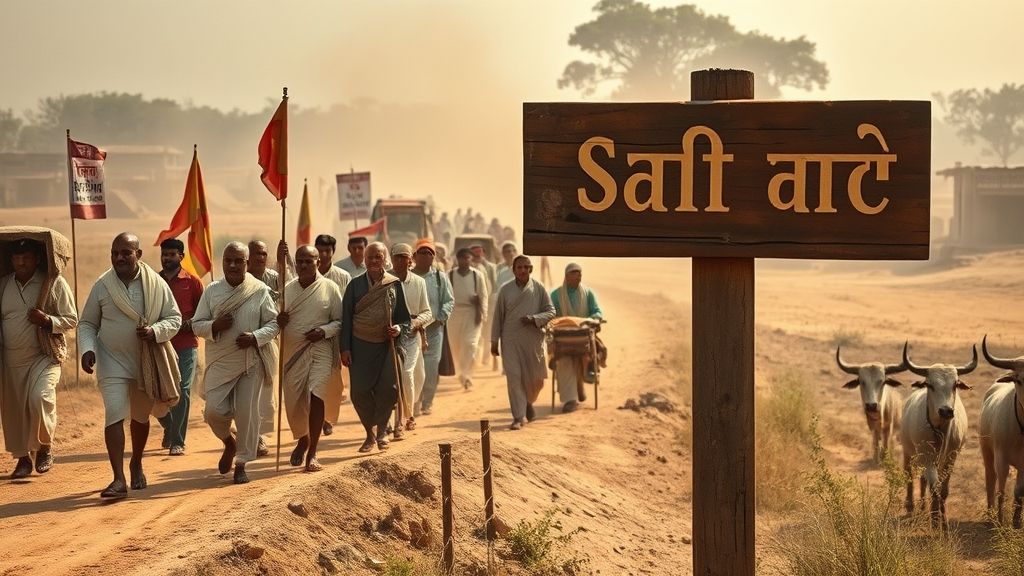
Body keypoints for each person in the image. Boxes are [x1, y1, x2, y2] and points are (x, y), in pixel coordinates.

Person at [80, 232, 182, 498]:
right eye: (114, 253)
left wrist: (155, 331)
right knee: (114, 412)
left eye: (126, 253)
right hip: (111, 359)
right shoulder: (103, 285)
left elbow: (174, 318)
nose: (119, 258)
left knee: (139, 416)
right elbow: (88, 323)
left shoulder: (156, 284)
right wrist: (88, 349)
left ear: (138, 254)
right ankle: (118, 479)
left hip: (145, 362)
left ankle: (136, 461)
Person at [191, 243, 279, 484]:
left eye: (238, 261)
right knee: (213, 412)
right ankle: (229, 442)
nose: (232, 265)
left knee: (247, 414)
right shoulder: (212, 291)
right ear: (223, 261)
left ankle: (241, 462)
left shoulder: (259, 290)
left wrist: (255, 337)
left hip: (251, 363)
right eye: (228, 260)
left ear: (247, 263)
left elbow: (273, 324)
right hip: (220, 362)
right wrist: (214, 326)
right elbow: (196, 324)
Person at [0, 238, 78, 478]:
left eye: (26, 257)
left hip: (44, 356)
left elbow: (71, 319)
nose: (20, 262)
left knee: (40, 398)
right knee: (14, 412)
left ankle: (45, 446)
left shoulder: (53, 283)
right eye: (16, 257)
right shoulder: (3, 284)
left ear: (37, 258)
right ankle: (23, 459)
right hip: (10, 360)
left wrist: (47, 320)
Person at [341, 242, 412, 452]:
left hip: (387, 347)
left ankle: (381, 432)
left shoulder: (394, 284)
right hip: (360, 346)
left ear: (384, 259)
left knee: (388, 390)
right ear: (364, 259)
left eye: (378, 257)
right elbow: (346, 318)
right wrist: (345, 348)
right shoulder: (354, 285)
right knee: (359, 393)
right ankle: (369, 433)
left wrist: (398, 329)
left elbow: (405, 319)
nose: (373, 261)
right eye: (370, 257)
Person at [277, 246, 342, 472]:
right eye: (300, 261)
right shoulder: (287, 290)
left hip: (321, 350)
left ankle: (312, 452)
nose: (304, 265)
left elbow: (339, 322)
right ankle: (303, 438)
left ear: (318, 262)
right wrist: (280, 320)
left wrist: (323, 332)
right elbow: (274, 321)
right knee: (295, 403)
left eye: (308, 261)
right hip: (293, 354)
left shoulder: (330, 289)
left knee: (317, 395)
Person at [490, 256, 555, 430]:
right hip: (510, 339)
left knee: (536, 379)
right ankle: (518, 417)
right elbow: (498, 317)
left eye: (526, 267)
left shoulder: (539, 288)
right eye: (519, 267)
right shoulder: (505, 290)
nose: (523, 270)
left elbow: (551, 311)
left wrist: (534, 318)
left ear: (531, 269)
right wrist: (494, 341)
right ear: (514, 270)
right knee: (514, 378)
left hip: (533, 340)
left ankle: (528, 401)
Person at [156, 238, 204, 456]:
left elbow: (204, 314)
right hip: (159, 344)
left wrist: (189, 324)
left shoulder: (192, 282)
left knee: (182, 391)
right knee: (154, 393)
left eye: (172, 254)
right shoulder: (153, 281)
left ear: (181, 256)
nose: (167, 258)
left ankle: (178, 441)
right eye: (164, 254)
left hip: (186, 344)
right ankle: (169, 425)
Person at [389, 243, 432, 436]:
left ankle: (409, 416)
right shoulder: (384, 280)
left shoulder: (419, 282)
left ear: (410, 260)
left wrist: (415, 323)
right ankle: (394, 420)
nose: (399, 261)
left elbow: (427, 312)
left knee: (408, 374)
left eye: (403, 257)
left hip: (411, 335)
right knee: (392, 378)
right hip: (389, 336)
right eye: (396, 257)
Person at [549, 262, 603, 413]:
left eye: (579, 272)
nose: (578, 274)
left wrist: (593, 319)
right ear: (566, 276)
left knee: (588, 356)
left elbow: (597, 311)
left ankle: (583, 382)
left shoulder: (588, 293)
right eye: (574, 272)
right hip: (562, 336)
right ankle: (570, 400)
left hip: (583, 335)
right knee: (564, 361)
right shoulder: (555, 295)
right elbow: (550, 313)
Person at [312, 234, 352, 436]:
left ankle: (328, 418)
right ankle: (316, 419)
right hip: (310, 337)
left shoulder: (343, 277)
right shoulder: (306, 274)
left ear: (333, 252)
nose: (324, 255)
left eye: (328, 251)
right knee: (313, 379)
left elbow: (347, 310)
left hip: (334, 335)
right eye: (320, 250)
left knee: (332, 380)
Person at [411, 239, 453, 416]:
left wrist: (440, 318)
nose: (426, 256)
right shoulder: (409, 276)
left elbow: (449, 301)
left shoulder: (439, 277)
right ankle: (414, 402)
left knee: (430, 367)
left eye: (430, 253)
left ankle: (427, 401)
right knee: (413, 368)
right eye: (422, 252)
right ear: (414, 256)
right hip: (412, 331)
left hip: (434, 331)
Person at [447, 247, 488, 390]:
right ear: (457, 259)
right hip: (454, 314)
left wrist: (483, 314)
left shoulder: (478, 275)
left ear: (471, 259)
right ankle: (460, 372)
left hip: (472, 313)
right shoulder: (449, 275)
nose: (465, 260)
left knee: (470, 344)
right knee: (455, 346)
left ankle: (467, 375)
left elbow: (483, 296)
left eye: (468, 258)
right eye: (462, 258)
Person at [470, 244, 498, 369]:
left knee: (488, 332)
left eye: (479, 253)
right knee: (475, 332)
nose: (477, 255)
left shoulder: (491, 267)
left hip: (489, 302)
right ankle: (474, 359)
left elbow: (494, 286)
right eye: (474, 253)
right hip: (471, 304)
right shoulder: (468, 267)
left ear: (483, 253)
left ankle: (486, 358)